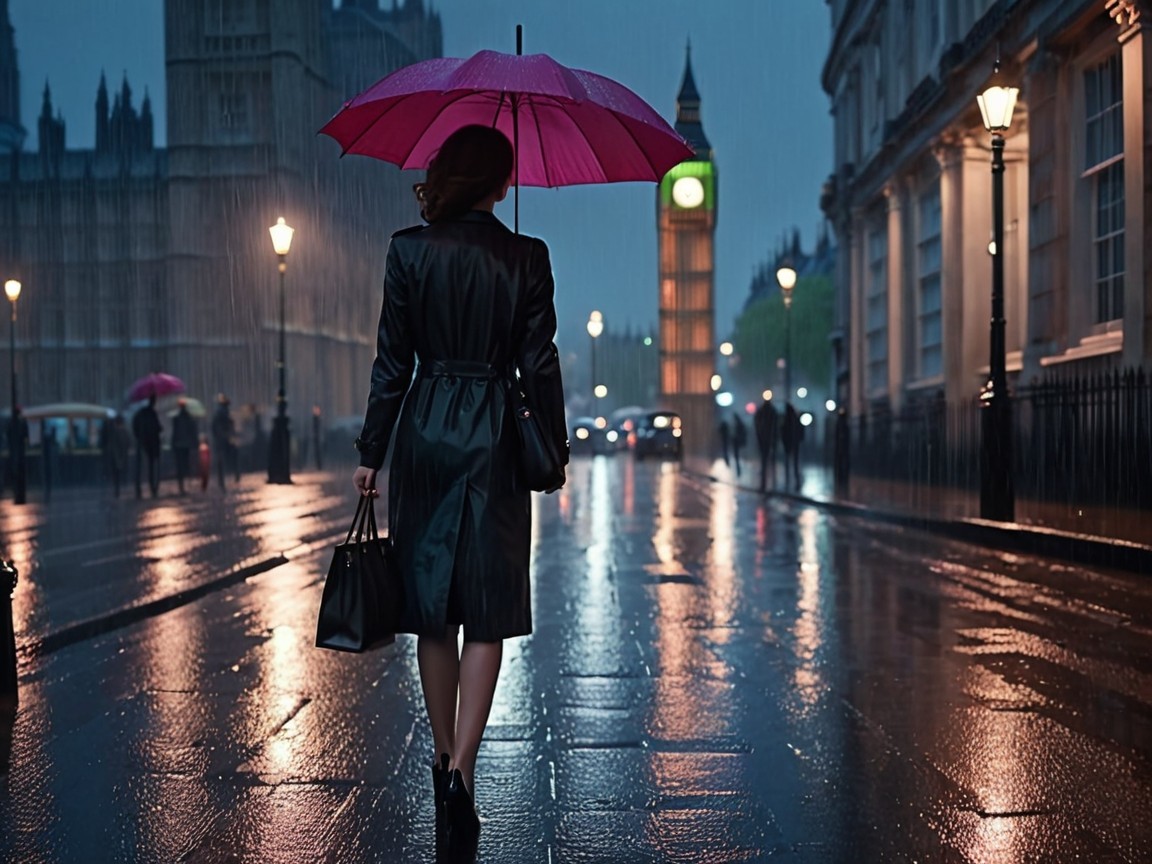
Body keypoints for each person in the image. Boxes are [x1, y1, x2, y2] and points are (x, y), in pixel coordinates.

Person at [351, 125, 567, 854]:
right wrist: (552, 446)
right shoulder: (528, 256)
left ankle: (442, 753)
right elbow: (540, 364)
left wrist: (372, 451)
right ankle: (464, 772)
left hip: (426, 430)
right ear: (500, 184)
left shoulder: (407, 251)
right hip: (495, 435)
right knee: (488, 610)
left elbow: (391, 361)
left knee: (433, 611)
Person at [132, 395, 163, 498]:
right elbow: (157, 427)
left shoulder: (139, 415)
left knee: (140, 467)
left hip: (143, 442)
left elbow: (135, 428)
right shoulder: (152, 414)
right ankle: (153, 488)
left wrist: (139, 437)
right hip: (152, 444)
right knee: (152, 467)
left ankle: (139, 490)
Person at [170, 399, 199, 495]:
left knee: (180, 466)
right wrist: (195, 443)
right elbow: (193, 432)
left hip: (179, 445)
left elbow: (175, 433)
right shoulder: (188, 418)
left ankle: (182, 486)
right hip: (185, 445)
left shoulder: (176, 419)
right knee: (185, 465)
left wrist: (173, 444)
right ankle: (183, 486)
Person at [102, 414, 132, 498]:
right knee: (119, 474)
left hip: (116, 457)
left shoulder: (114, 432)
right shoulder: (124, 432)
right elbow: (128, 443)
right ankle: (119, 489)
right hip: (121, 457)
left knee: (116, 475)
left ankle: (117, 490)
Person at [210, 395, 236, 491]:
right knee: (225, 458)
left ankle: (223, 479)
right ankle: (224, 479)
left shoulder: (220, 413)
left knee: (222, 459)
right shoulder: (223, 413)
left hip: (221, 439)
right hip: (223, 438)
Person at [754, 398, 779, 493]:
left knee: (765, 462)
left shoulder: (763, 412)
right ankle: (770, 485)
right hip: (768, 440)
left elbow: (757, 425)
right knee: (769, 462)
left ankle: (766, 484)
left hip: (765, 440)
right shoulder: (771, 412)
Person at [781, 402, 804, 490]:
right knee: (795, 463)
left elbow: (783, 432)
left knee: (790, 463)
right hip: (794, 443)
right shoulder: (795, 419)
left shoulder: (787, 420)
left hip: (790, 444)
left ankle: (790, 480)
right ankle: (795, 480)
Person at [730, 412, 747, 478]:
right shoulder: (738, 424)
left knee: (737, 456)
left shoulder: (738, 425)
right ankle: (738, 469)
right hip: (737, 442)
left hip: (737, 442)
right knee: (737, 456)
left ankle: (739, 470)